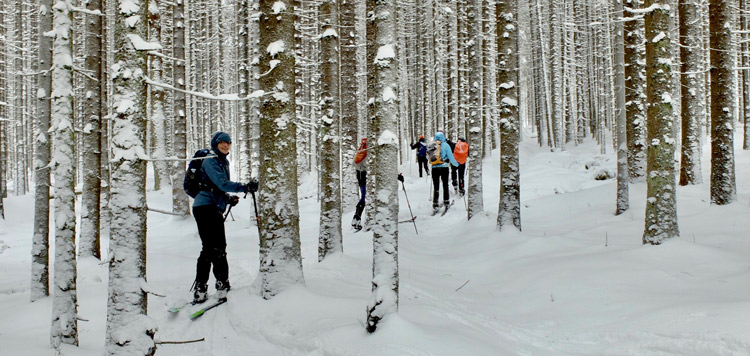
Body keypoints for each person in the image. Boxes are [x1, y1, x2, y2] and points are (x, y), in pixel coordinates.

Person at [191, 131, 258, 304]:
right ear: (215, 143)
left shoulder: (221, 161)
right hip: (207, 208)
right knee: (218, 247)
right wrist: (244, 187)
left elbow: (214, 187)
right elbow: (221, 183)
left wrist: (228, 199)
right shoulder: (211, 160)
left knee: (209, 248)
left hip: (207, 206)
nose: (225, 145)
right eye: (222, 142)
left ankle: (201, 288)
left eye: (228, 142)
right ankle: (221, 285)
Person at [430, 131, 459, 213]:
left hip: (434, 168)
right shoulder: (446, 145)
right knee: (445, 185)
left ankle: (435, 204)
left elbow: (427, 157)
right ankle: (446, 201)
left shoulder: (432, 145)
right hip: (444, 168)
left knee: (436, 186)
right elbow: (451, 157)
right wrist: (456, 164)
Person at [352, 138, 368, 231]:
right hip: (365, 174)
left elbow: (354, 163)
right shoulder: (369, 151)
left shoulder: (361, 150)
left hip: (359, 174)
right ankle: (357, 218)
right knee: (367, 196)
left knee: (363, 196)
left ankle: (356, 218)